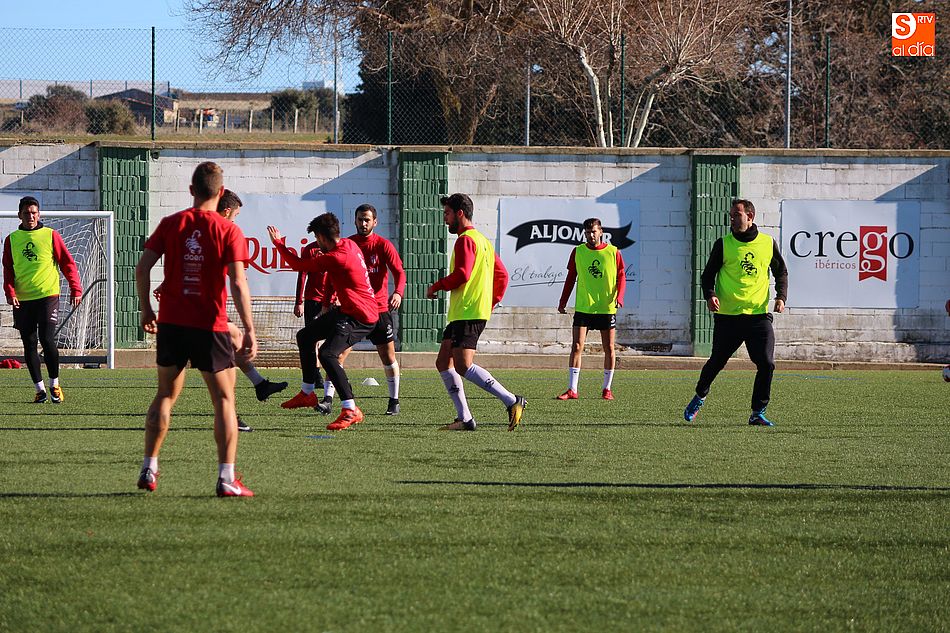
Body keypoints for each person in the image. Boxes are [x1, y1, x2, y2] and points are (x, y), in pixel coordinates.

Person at [135, 162, 256, 497]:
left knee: (165, 395)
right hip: (210, 326)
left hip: (172, 323)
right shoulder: (229, 230)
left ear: (191, 191)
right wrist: (249, 329)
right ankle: (226, 478)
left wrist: (147, 308)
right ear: (219, 194)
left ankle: (149, 466)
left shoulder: (171, 223)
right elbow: (238, 282)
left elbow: (142, 267)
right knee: (224, 399)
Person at [151, 189, 287, 433]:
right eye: (234, 217)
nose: (235, 222)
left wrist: (164, 285)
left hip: (180, 320)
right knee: (226, 361)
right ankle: (229, 444)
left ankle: (259, 385)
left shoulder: (188, 226)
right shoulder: (224, 232)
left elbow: (184, 265)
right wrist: (249, 326)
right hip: (203, 320)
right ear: (226, 211)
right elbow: (232, 279)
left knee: (231, 342)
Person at [267, 213, 378, 431]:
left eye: (317, 239)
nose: (317, 244)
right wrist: (327, 303)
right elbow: (334, 278)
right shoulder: (348, 245)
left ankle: (350, 409)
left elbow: (299, 265)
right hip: (347, 310)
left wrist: (279, 244)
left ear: (321, 237)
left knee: (327, 354)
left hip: (361, 317)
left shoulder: (336, 256)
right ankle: (308, 393)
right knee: (305, 336)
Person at [426, 193, 526, 431]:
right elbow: (502, 275)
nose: (445, 219)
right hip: (466, 311)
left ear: (460, 213)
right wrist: (491, 301)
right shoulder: (482, 240)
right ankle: (465, 419)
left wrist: (437, 286)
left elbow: (462, 274)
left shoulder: (466, 240)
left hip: (468, 312)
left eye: (447, 214)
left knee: (463, 365)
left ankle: (512, 400)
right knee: (443, 362)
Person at [683, 199, 788, 427]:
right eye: (730, 215)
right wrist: (710, 295)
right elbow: (707, 276)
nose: (732, 219)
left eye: (736, 215)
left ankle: (757, 412)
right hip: (728, 317)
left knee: (767, 363)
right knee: (717, 362)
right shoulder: (724, 244)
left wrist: (781, 297)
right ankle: (700, 396)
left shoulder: (767, 243)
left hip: (758, 317)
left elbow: (781, 272)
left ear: (750, 216)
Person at [2, 196, 82, 404]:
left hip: (47, 295)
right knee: (28, 344)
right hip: (23, 299)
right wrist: (10, 292)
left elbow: (67, 262)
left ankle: (54, 385)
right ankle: (39, 390)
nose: (31, 216)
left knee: (47, 340)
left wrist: (76, 288)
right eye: (27, 213)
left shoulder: (51, 235)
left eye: (34, 212)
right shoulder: (12, 239)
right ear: (20, 215)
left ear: (39, 214)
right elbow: (8, 270)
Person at [336, 204, 406, 415]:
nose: (363, 223)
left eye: (367, 219)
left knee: (388, 357)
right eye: (360, 219)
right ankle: (328, 398)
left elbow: (399, 273)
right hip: (355, 310)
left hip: (379, 310)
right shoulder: (348, 244)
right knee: (337, 354)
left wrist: (398, 293)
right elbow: (336, 272)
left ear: (375, 222)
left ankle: (394, 401)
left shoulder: (383, 245)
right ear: (355, 221)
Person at [556, 217, 627, 401]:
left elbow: (621, 277)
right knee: (577, 346)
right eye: (587, 232)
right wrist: (563, 301)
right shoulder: (578, 252)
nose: (590, 235)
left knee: (609, 347)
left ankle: (607, 389)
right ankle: (572, 389)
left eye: (593, 232)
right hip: (584, 307)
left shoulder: (613, 252)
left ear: (601, 232)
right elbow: (571, 277)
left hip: (606, 307)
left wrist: (619, 297)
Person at [283, 218, 334, 413]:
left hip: (330, 302)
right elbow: (302, 274)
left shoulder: (335, 249)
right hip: (313, 300)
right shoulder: (310, 250)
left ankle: (328, 380)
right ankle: (316, 376)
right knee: (311, 340)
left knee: (329, 343)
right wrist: (299, 301)